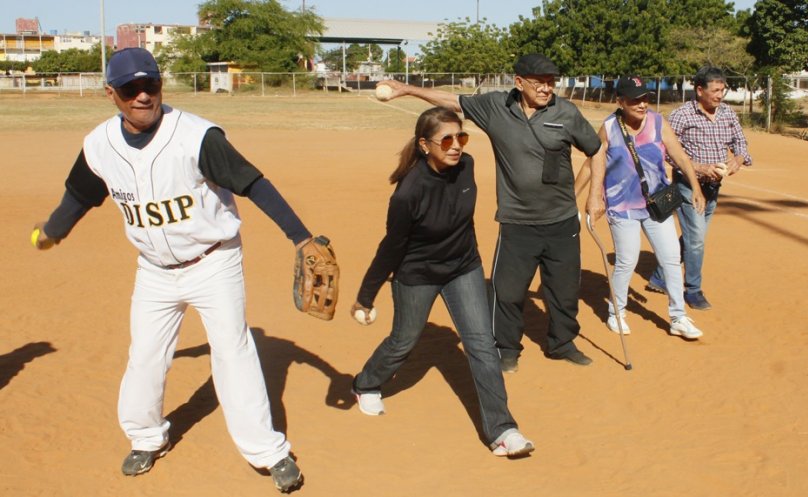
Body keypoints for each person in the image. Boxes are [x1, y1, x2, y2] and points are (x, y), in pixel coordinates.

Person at [30, 48, 319, 493]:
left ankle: (268, 452)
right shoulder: (99, 146)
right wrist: (53, 231)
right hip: (154, 271)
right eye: (131, 89)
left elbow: (253, 183)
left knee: (232, 352)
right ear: (111, 94)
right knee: (146, 355)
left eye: (152, 86)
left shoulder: (197, 137)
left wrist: (300, 236)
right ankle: (146, 438)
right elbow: (80, 195)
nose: (143, 96)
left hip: (214, 261)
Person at [375, 54, 601, 373]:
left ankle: (562, 343)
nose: (547, 88)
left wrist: (593, 195)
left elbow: (595, 150)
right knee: (507, 292)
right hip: (517, 221)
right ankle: (507, 348)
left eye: (551, 82)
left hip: (561, 220)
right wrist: (407, 89)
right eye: (539, 82)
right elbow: (452, 100)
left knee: (564, 290)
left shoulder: (566, 112)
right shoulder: (496, 107)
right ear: (519, 82)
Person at [350, 107, 534, 457]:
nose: (455, 146)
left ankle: (503, 430)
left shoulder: (468, 166)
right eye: (446, 139)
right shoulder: (408, 193)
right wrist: (366, 295)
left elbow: (463, 223)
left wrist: (469, 259)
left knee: (481, 344)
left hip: (462, 267)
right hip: (417, 274)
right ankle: (366, 383)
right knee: (404, 340)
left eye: (460, 137)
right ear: (424, 145)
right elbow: (391, 247)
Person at [585, 76, 706, 339]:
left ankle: (678, 317)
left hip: (656, 203)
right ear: (620, 101)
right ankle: (616, 312)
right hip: (622, 204)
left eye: (645, 98)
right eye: (634, 100)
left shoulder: (658, 122)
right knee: (628, 260)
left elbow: (680, 156)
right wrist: (590, 196)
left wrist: (695, 187)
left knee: (672, 258)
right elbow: (593, 161)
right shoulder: (609, 127)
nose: (641, 105)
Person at [647, 66, 752, 310]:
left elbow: (741, 142)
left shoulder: (727, 113)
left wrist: (737, 159)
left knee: (696, 237)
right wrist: (699, 168)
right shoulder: (683, 115)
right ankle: (692, 290)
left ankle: (660, 276)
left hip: (714, 188)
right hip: (687, 185)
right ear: (700, 90)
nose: (720, 95)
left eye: (722, 90)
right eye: (715, 90)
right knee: (696, 240)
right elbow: (667, 150)